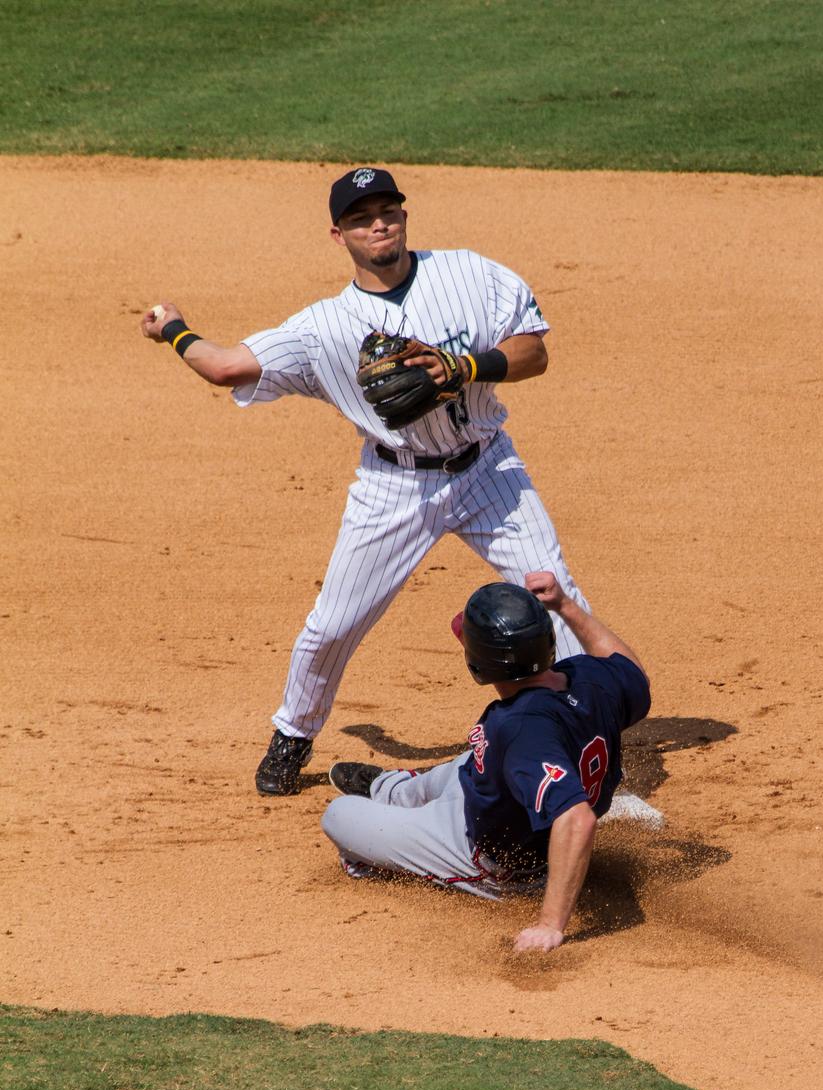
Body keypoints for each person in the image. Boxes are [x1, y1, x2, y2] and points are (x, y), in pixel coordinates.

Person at [140, 164, 592, 796]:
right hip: (395, 487)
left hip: (490, 468)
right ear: (338, 235)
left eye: (388, 210)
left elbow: (533, 352)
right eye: (360, 218)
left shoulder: (469, 273)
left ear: (404, 215)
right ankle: (292, 734)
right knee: (333, 625)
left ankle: (589, 738)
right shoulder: (322, 328)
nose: (378, 223)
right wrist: (174, 331)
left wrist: (464, 366)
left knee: (557, 598)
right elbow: (225, 368)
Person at [321, 572, 650, 954]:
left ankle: (382, 854)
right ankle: (390, 789)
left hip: (496, 863)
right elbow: (631, 671)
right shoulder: (590, 675)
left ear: (479, 666)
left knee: (338, 815)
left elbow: (577, 819)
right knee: (469, 761)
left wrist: (550, 926)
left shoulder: (520, 729)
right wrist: (567, 606)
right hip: (500, 790)